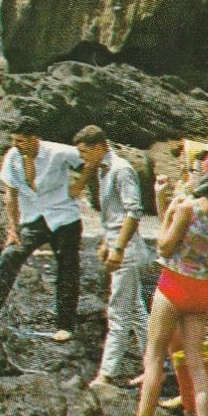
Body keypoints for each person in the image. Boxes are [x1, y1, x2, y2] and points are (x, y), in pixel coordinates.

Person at [106, 151, 208, 416]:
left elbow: (164, 245)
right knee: (197, 365)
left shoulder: (189, 209)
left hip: (174, 284)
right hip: (201, 291)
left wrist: (164, 208)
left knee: (154, 356)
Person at [0, 118, 86, 342]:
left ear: (34, 139)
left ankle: (65, 325)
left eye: (21, 140)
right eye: (13, 140)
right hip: (33, 219)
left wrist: (80, 185)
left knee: (67, 268)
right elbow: (10, 196)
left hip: (64, 218)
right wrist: (13, 229)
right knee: (10, 255)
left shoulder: (58, 152)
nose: (16, 144)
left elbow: (94, 160)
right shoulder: (12, 157)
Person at [72, 125, 151, 389]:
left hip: (127, 251)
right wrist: (107, 242)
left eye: (84, 152)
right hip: (118, 244)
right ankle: (155, 367)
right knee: (138, 313)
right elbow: (113, 215)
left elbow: (133, 212)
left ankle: (106, 374)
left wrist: (117, 247)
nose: (82, 158)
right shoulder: (102, 170)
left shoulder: (121, 169)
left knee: (118, 312)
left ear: (98, 147)